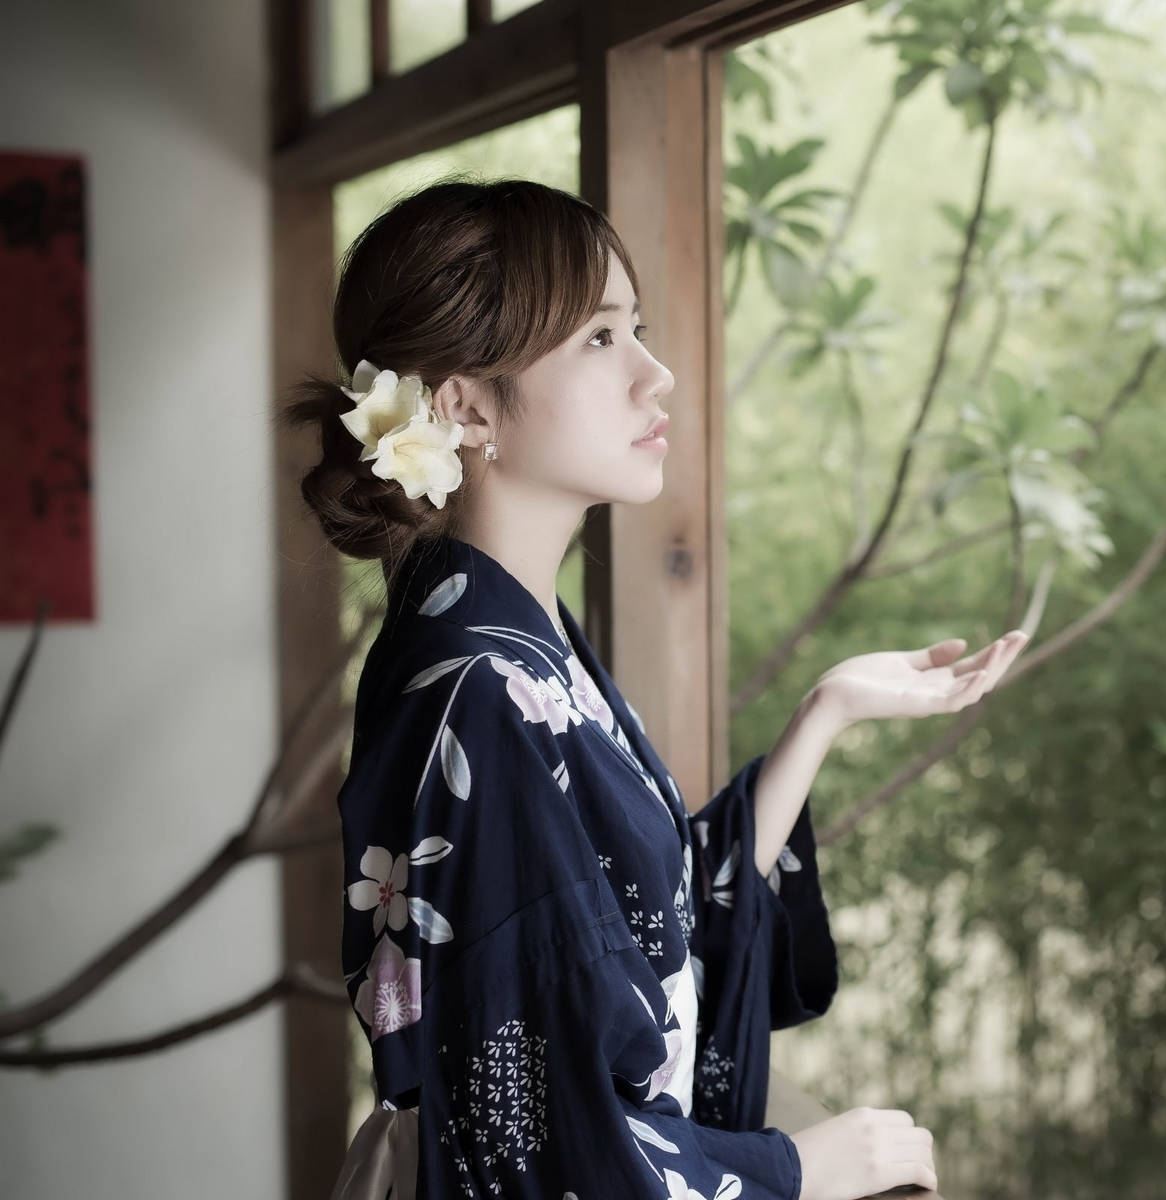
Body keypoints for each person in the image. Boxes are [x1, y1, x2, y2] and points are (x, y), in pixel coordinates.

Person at [279, 177, 1028, 1200]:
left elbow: (638, 931)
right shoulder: (480, 691)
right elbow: (544, 1137)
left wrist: (826, 713)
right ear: (462, 404)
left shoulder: (501, 638)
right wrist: (799, 1167)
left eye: (637, 330)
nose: (657, 375)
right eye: (600, 339)